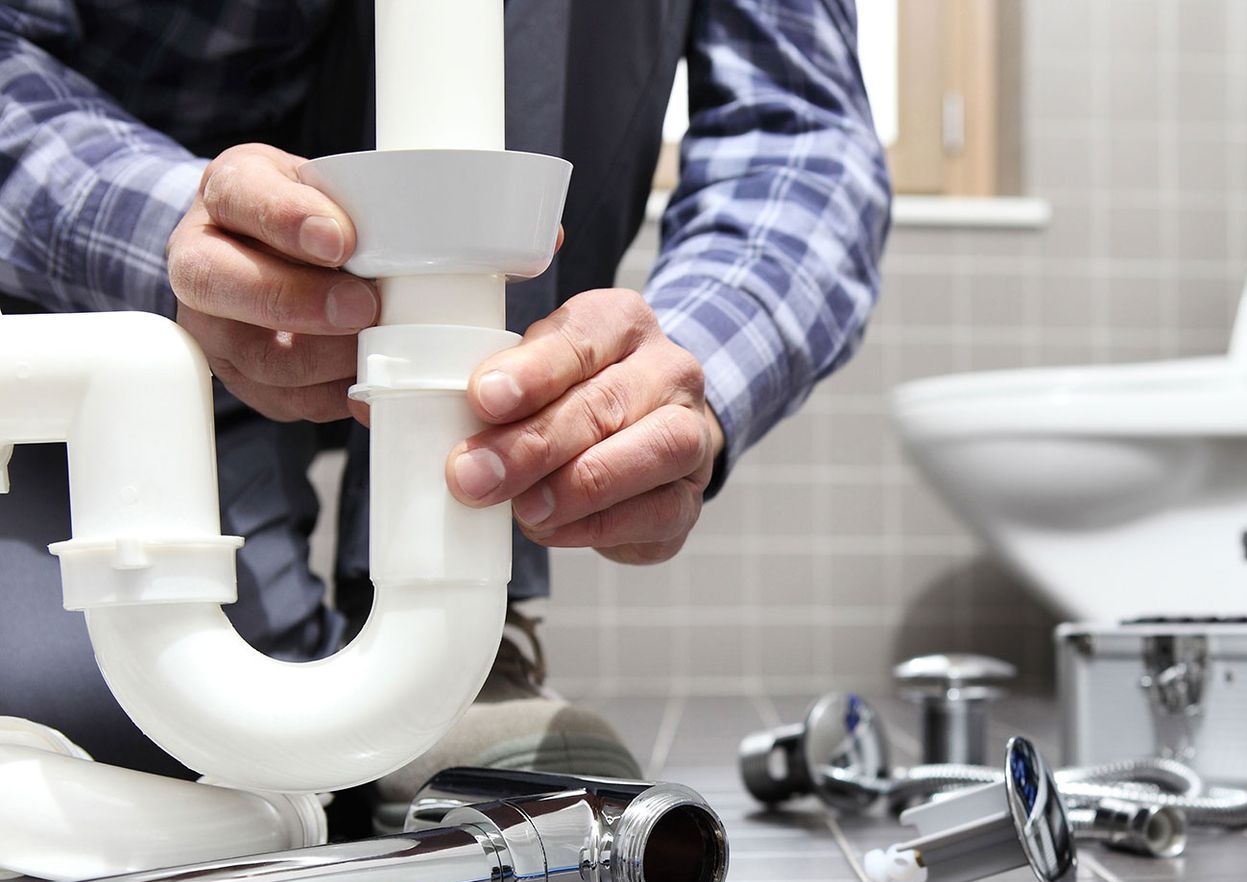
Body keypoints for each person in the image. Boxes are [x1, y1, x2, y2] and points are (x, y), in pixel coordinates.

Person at [0, 0, 890, 827]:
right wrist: (175, 239)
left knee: (266, 766)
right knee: (108, 725)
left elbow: (803, 133)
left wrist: (663, 376)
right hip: (92, 316)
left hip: (453, 347)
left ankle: (452, 639)